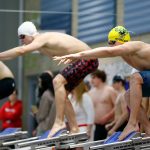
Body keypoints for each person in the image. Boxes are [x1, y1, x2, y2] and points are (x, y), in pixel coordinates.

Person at [0, 21, 99, 138]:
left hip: (87, 57)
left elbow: (20, 51)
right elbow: (17, 52)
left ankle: (59, 123)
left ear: (30, 34)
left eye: (22, 36)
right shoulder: (39, 44)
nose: (21, 40)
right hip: (83, 59)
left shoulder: (42, 38)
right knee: (63, 95)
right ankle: (74, 128)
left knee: (57, 81)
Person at [54, 25, 150, 140]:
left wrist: (79, 55)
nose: (110, 46)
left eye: (112, 42)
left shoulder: (133, 45)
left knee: (135, 78)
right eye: (109, 43)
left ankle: (132, 123)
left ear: (121, 40)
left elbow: (108, 52)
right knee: (128, 95)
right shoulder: (129, 55)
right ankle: (148, 128)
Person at [89, 70, 117, 141]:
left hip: (110, 125)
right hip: (97, 127)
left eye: (93, 78)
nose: (91, 80)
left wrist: (107, 117)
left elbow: (117, 107)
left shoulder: (110, 90)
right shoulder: (91, 93)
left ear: (100, 78)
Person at [31, 71, 56, 136]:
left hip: (45, 128)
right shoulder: (54, 93)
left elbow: (42, 115)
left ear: (44, 82)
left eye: (40, 82)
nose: (39, 84)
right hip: (53, 126)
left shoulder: (46, 95)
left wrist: (36, 113)